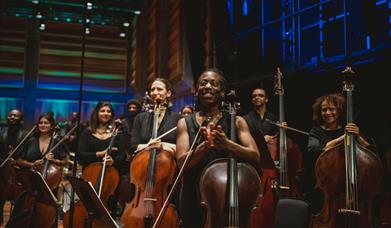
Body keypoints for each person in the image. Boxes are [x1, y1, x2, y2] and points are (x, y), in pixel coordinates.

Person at [175, 69, 260, 227]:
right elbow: (181, 163)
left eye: (214, 84)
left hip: (226, 195)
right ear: (197, 90)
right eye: (203, 83)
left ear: (221, 92)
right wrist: (205, 146)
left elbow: (255, 155)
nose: (208, 86)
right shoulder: (184, 123)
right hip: (193, 195)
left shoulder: (237, 121)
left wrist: (228, 145)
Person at [304, 93, 370, 211]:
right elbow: (314, 150)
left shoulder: (350, 130)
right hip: (325, 187)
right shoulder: (316, 131)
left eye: (331, 109)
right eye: (324, 110)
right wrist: (342, 138)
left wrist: (358, 136)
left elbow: (370, 152)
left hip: (350, 184)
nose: (328, 113)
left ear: (338, 111)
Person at [8, 113, 67, 227]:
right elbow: (19, 160)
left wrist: (54, 160)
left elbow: (64, 161)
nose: (43, 125)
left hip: (48, 185)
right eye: (41, 123)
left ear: (51, 125)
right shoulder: (31, 140)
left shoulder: (57, 141)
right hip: (31, 183)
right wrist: (32, 164)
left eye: (46, 123)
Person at [77, 101, 125, 217]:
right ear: (97, 113)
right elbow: (80, 154)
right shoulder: (87, 132)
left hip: (111, 177)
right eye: (102, 110)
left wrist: (113, 161)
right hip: (90, 175)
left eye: (109, 111)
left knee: (109, 207)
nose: (106, 113)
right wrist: (100, 154)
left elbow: (122, 156)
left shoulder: (117, 132)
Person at [130, 78, 181, 154]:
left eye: (159, 89)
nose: (154, 92)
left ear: (168, 93)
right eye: (152, 90)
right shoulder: (140, 118)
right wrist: (148, 146)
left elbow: (182, 148)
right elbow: (134, 145)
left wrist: (162, 145)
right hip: (143, 161)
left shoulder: (178, 119)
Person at [0, 109, 27, 225]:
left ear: (20, 119)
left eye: (15, 116)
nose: (12, 117)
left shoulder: (25, 134)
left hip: (18, 171)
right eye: (10, 115)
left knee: (19, 201)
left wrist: (16, 161)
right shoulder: (1, 132)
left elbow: (27, 152)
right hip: (2, 169)